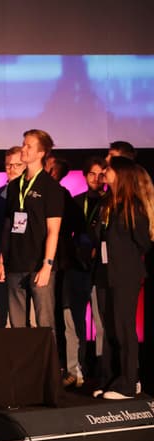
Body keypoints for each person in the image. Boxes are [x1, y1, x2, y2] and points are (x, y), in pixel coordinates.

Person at [93, 156, 154, 400]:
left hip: (125, 273)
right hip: (104, 272)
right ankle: (109, 378)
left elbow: (144, 242)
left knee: (124, 326)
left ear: (121, 174)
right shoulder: (107, 202)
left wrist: (123, 256)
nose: (104, 171)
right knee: (108, 326)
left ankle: (129, 383)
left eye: (109, 168)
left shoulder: (133, 206)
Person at [0, 129, 63, 333]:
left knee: (44, 324)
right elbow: (8, 227)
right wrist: (2, 261)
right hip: (14, 264)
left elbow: (53, 230)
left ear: (41, 153)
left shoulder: (51, 187)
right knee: (17, 326)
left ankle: (49, 356)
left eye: (28, 146)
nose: (23, 149)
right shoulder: (14, 186)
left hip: (38, 265)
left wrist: (47, 265)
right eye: (23, 144)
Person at [62, 156, 106, 388]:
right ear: (85, 175)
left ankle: (103, 371)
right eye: (92, 174)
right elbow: (64, 235)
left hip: (100, 270)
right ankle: (74, 370)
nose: (96, 179)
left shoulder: (110, 203)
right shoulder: (76, 202)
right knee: (73, 322)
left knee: (102, 323)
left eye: (101, 174)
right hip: (76, 268)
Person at [0, 146, 24, 328]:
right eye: (9, 165)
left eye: (18, 165)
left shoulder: (33, 195)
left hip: (25, 262)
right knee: (1, 313)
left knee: (23, 315)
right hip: (0, 261)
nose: (12, 169)